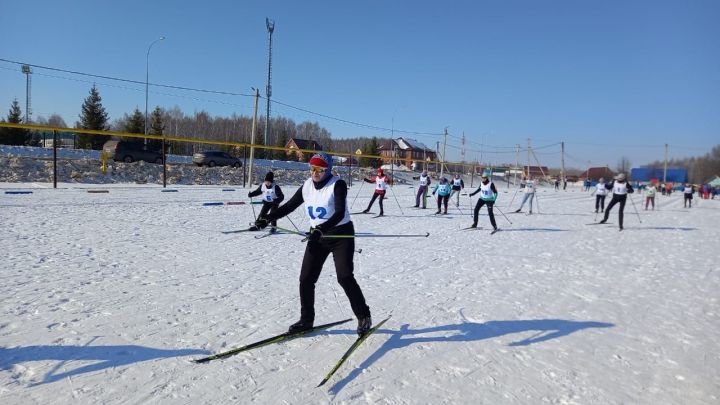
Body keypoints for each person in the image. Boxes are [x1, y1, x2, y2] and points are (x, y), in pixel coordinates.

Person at [254, 152, 372, 336]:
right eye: (312, 168)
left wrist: (322, 228)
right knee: (306, 279)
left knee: (344, 277)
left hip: (341, 235)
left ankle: (363, 316)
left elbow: (340, 213)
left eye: (319, 169)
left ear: (328, 170)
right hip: (318, 237)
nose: (315, 173)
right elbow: (288, 207)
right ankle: (306, 320)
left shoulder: (337, 184)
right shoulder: (307, 186)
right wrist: (267, 218)